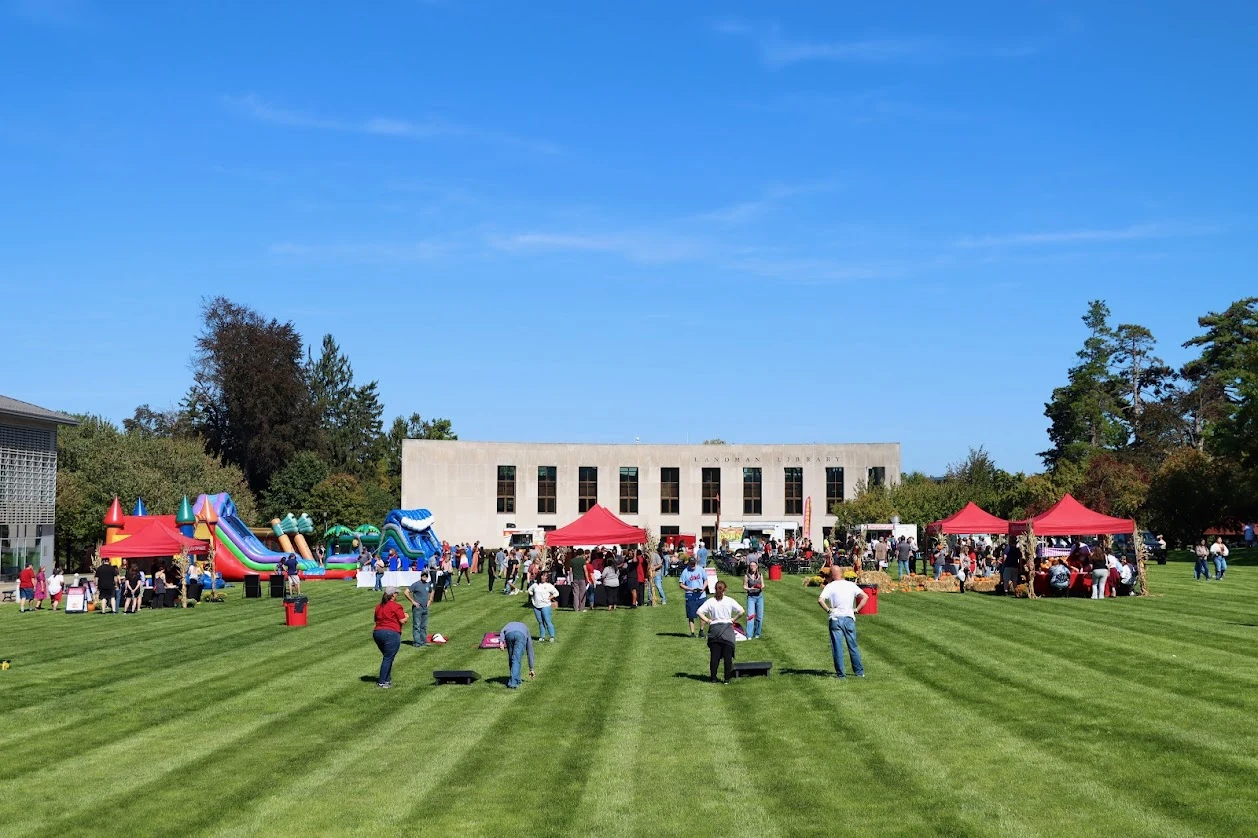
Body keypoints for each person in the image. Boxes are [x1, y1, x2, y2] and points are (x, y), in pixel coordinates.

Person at [818, 566, 868, 678]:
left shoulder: (830, 586)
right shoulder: (850, 585)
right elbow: (865, 596)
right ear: (841, 573)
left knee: (837, 647)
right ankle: (859, 672)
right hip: (849, 618)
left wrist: (828, 609)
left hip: (835, 618)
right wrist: (857, 609)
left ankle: (841, 674)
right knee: (853, 646)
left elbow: (820, 600)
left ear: (832, 574)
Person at [697, 581, 745, 684]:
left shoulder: (710, 601)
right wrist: (733, 619)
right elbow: (741, 611)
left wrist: (708, 620)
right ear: (725, 589)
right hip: (727, 630)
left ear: (715, 589)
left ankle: (713, 678)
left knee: (714, 656)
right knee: (728, 657)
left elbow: (699, 612)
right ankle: (727, 679)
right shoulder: (729, 600)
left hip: (715, 629)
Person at [372, 588, 407, 688]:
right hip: (391, 633)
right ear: (393, 595)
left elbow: (376, 619)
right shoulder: (396, 606)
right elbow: (402, 620)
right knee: (388, 657)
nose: (398, 595)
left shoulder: (379, 606)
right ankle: (382, 681)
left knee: (388, 657)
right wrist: (407, 616)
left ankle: (387, 679)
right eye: (396, 593)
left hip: (377, 633)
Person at [499, 620, 535, 689]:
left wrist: (501, 641)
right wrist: (531, 668)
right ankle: (513, 683)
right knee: (516, 659)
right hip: (520, 636)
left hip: (508, 635)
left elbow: (502, 631)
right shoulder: (525, 628)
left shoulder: (509, 624)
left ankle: (517, 679)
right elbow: (530, 651)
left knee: (511, 658)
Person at [403, 570, 433, 648]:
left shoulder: (427, 585)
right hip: (418, 608)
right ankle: (417, 642)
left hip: (425, 608)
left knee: (424, 626)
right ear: (421, 575)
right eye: (423, 575)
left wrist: (430, 600)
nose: (425, 577)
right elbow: (406, 592)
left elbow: (432, 591)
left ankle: (423, 641)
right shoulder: (416, 584)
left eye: (426, 576)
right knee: (417, 625)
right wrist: (413, 601)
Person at [528, 572, 559, 642]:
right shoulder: (535, 585)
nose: (543, 577)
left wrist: (550, 597)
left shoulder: (549, 585)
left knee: (547, 621)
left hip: (545, 605)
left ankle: (552, 636)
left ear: (547, 578)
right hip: (536, 606)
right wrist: (533, 596)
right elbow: (529, 590)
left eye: (545, 576)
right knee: (540, 622)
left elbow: (556, 593)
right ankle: (542, 636)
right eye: (542, 576)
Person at [679, 557, 707, 637]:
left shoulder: (700, 569)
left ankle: (701, 631)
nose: (693, 565)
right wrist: (690, 589)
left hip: (701, 596)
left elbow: (706, 580)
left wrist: (703, 588)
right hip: (690, 596)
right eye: (691, 564)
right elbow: (681, 584)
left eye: (694, 563)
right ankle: (692, 633)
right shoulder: (685, 572)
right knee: (691, 616)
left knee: (703, 614)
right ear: (688, 563)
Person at [743, 560, 764, 639]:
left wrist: (760, 587)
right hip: (751, 597)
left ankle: (757, 633)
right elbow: (744, 586)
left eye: (754, 566)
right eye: (751, 566)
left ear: (757, 566)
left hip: (759, 597)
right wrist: (749, 588)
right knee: (750, 616)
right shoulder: (746, 576)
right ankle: (749, 635)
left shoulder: (760, 575)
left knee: (759, 617)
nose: (753, 567)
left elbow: (763, 585)